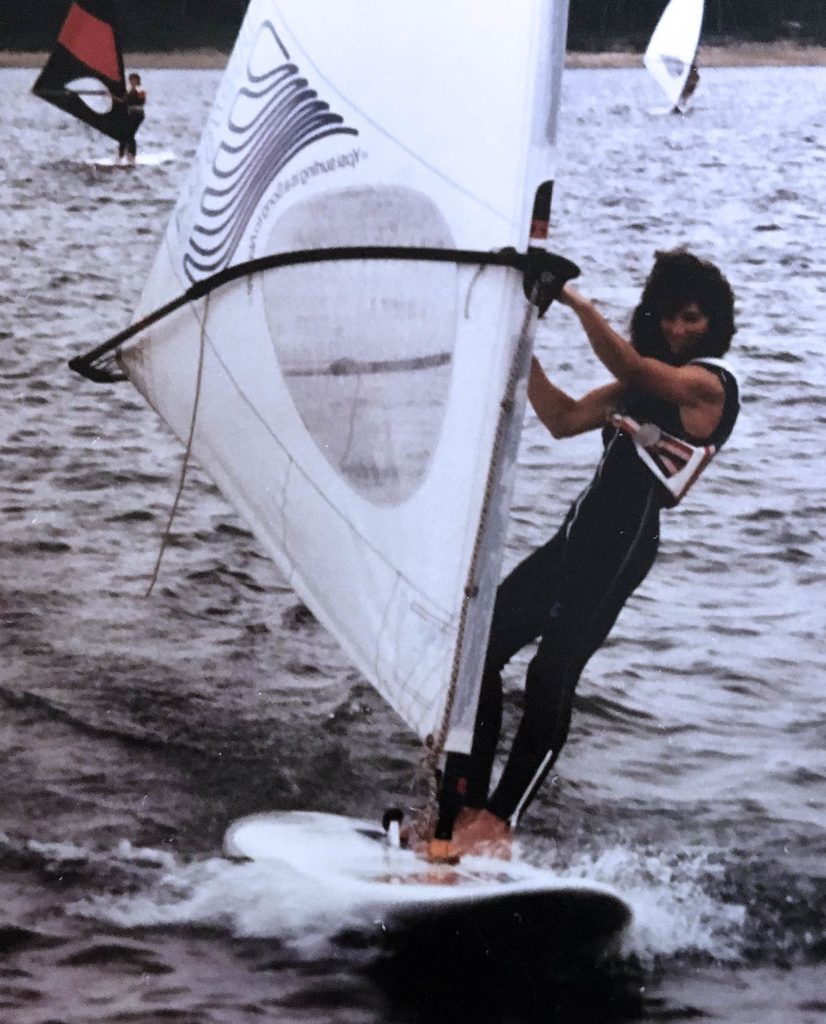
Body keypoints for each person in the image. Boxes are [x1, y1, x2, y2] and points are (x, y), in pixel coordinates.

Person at [435, 248, 739, 859]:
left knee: (551, 672)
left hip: (621, 550)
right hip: (573, 537)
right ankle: (467, 803)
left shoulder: (708, 386)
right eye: (666, 317)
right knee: (481, 650)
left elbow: (626, 358)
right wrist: (517, 344)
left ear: (714, 325)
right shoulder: (634, 385)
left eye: (692, 319)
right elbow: (561, 417)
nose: (677, 330)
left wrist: (570, 298)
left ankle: (500, 821)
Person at [112, 72, 146, 163]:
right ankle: (121, 155)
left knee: (129, 134)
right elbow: (125, 99)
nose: (131, 82)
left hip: (138, 115)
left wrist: (118, 99)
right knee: (124, 134)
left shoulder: (140, 89)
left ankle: (132, 156)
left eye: (133, 80)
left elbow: (138, 100)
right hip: (131, 114)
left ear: (138, 80)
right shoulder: (130, 90)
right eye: (130, 80)